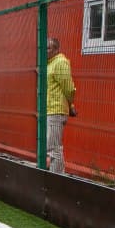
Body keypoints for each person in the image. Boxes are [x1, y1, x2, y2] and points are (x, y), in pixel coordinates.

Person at [46, 37, 76, 174]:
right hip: (50, 110)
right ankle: (56, 176)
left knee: (54, 149)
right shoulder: (49, 63)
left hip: (56, 111)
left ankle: (56, 180)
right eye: (44, 48)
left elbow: (69, 88)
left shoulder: (60, 62)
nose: (46, 51)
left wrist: (70, 105)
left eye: (49, 48)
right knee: (51, 147)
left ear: (57, 49)